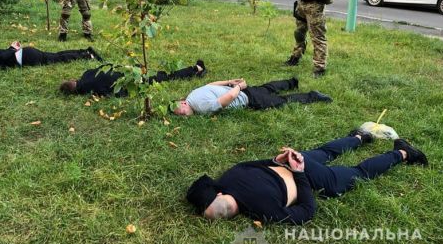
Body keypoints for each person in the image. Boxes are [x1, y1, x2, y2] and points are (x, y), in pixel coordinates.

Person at [186, 132, 428, 224]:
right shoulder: (230, 176)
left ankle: (403, 153)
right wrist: (282, 161)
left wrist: (295, 170)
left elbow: (307, 210)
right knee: (324, 152)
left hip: (301, 173)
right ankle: (358, 137)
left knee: (359, 173)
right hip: (295, 165)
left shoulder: (264, 212)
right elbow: (257, 164)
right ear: (219, 192)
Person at [173, 77, 331, 116]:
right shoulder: (192, 94)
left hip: (247, 98)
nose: (182, 115)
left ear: (183, 103)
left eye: (181, 112)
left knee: (281, 101)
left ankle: (313, 96)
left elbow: (228, 98)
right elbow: (210, 84)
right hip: (246, 91)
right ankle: (292, 82)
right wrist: (229, 82)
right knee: (267, 88)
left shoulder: (201, 107)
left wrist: (238, 87)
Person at [60, 60, 206, 97]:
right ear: (73, 80)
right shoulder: (87, 74)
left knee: (166, 76)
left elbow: (115, 93)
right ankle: (196, 70)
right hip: (130, 71)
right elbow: (106, 67)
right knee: (165, 75)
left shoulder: (91, 90)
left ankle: (196, 70)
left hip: (132, 79)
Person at [0, 41, 102, 73]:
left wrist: (11, 49)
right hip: (24, 55)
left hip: (24, 57)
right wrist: (12, 48)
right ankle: (84, 53)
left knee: (56, 57)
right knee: (56, 56)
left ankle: (86, 55)